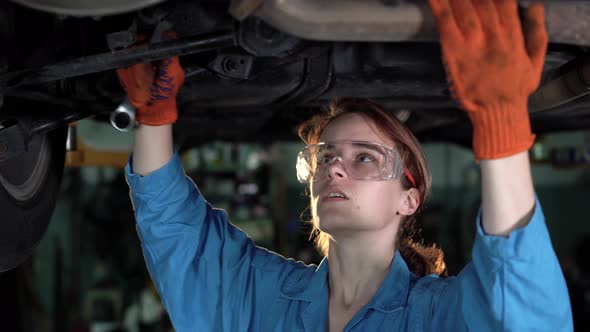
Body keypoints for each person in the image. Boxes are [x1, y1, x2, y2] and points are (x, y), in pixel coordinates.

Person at [118, 0, 573, 331]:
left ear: (409, 199)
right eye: (327, 156)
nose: (334, 169)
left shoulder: (437, 316)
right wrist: (154, 116)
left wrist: (501, 126)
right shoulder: (262, 297)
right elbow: (177, 232)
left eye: (365, 158)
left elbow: (524, 308)